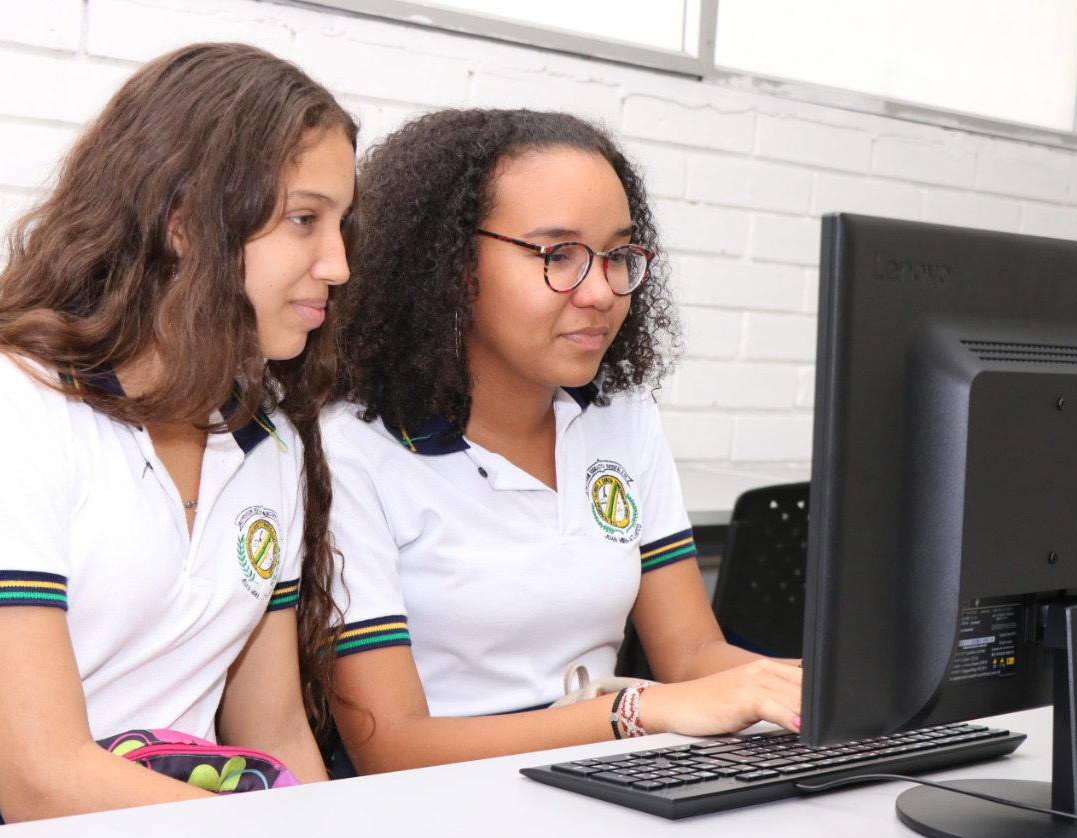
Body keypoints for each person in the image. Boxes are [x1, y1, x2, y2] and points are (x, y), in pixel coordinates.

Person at [0, 42, 355, 838]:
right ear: (185, 223)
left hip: (177, 815)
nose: (340, 263)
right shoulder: (6, 404)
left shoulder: (270, 445)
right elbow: (41, 780)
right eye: (304, 219)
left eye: (342, 224)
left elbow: (277, 732)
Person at [322, 109, 802, 775]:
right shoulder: (353, 448)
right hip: (436, 803)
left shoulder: (621, 415)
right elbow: (391, 746)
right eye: (559, 256)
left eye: (618, 256)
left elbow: (692, 654)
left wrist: (809, 690)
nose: (601, 292)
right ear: (453, 264)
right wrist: (632, 713)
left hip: (600, 775)